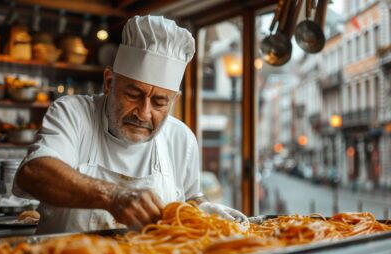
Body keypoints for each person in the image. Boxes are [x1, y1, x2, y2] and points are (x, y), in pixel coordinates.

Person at [13, 15, 248, 234]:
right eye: (134, 95)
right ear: (109, 82)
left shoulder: (181, 138)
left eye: (159, 102)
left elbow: (190, 198)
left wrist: (205, 209)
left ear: (174, 100)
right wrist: (114, 196)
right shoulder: (73, 113)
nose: (144, 114)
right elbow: (34, 173)